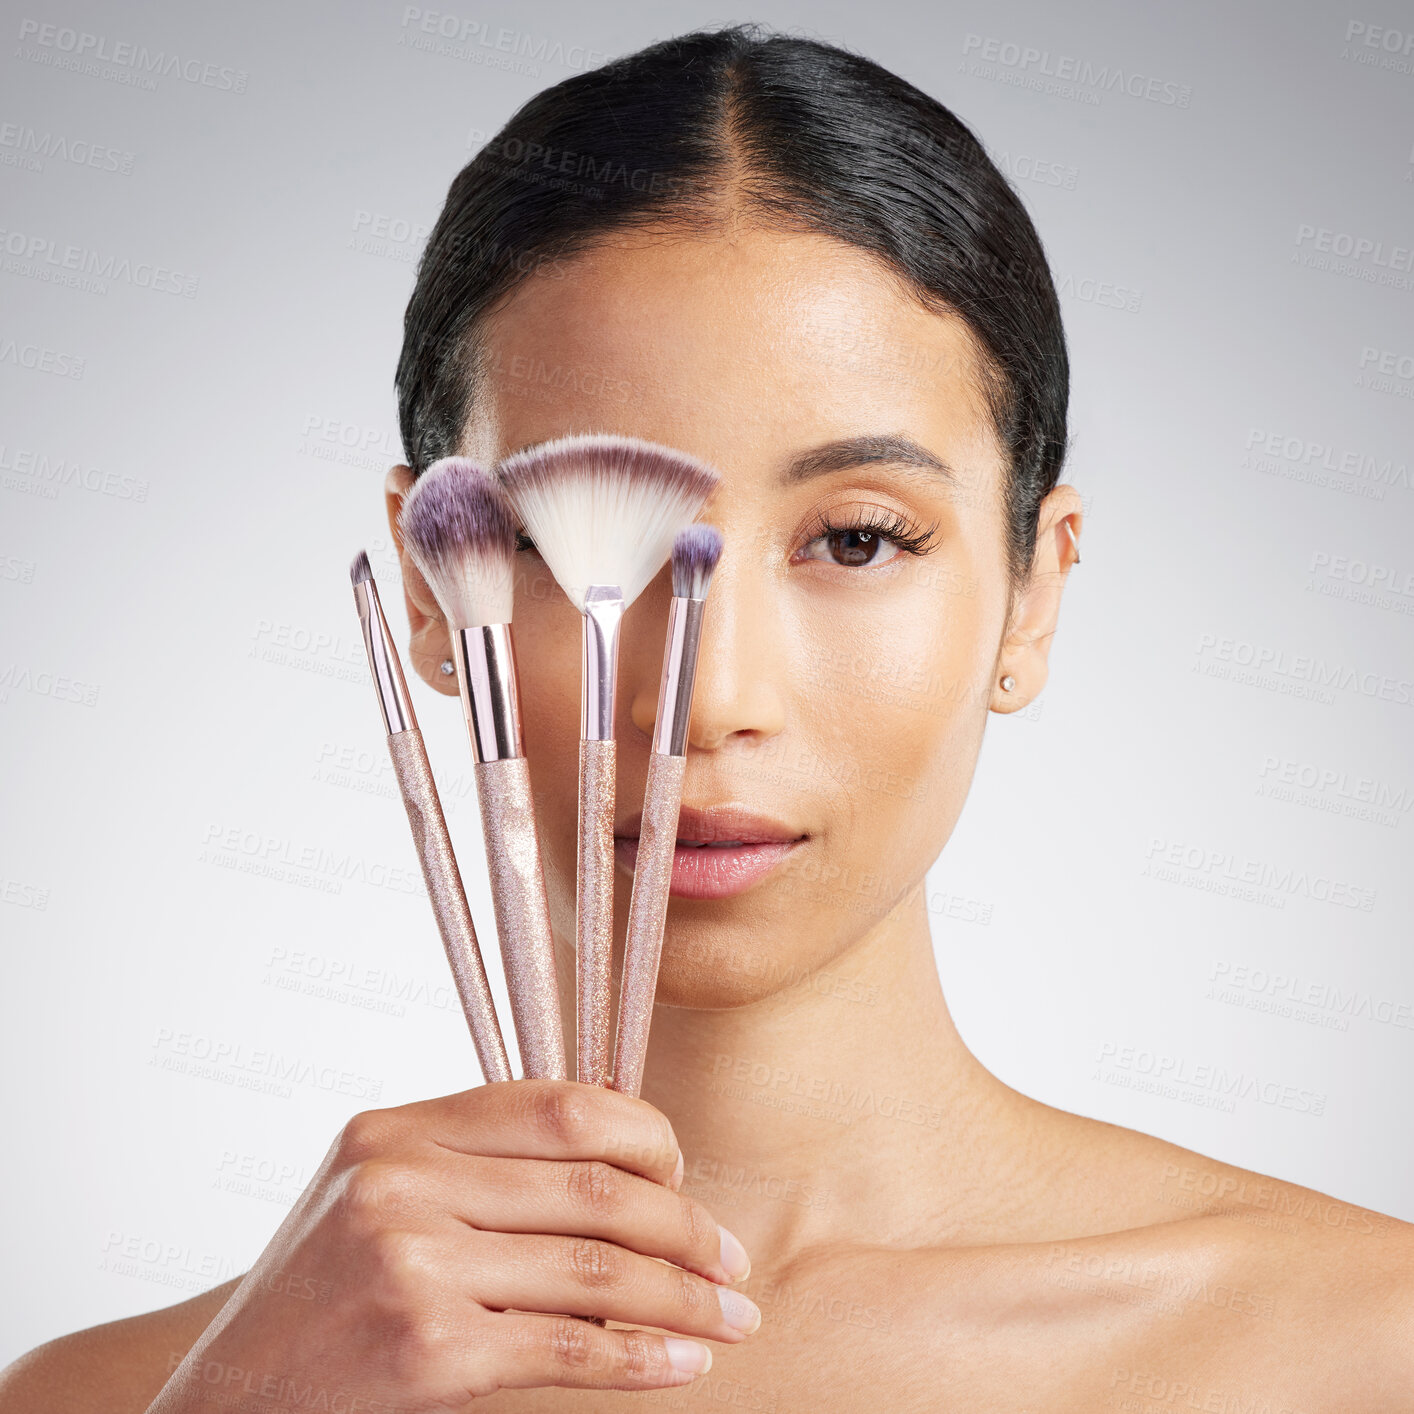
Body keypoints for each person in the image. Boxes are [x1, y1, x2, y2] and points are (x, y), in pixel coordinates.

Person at [3, 24, 1409, 1413]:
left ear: (1031, 594)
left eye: (856, 540)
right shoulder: (122, 1394)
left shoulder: (1361, 1346)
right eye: (572, 537)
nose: (711, 701)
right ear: (437, 585)